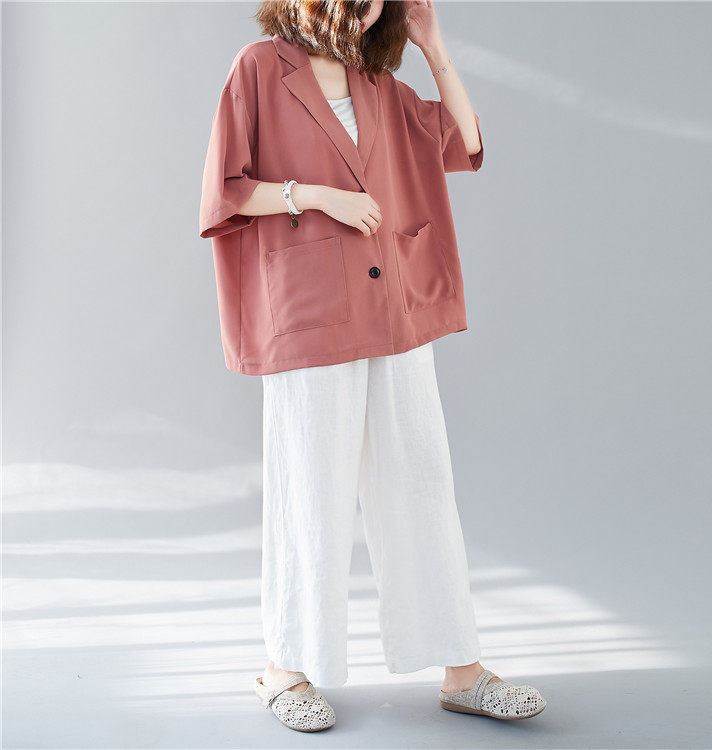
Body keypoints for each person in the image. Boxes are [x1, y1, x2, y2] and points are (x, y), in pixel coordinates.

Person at [198, 0, 546, 733]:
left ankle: (460, 668)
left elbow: (464, 141)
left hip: (393, 306)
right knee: (309, 489)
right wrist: (316, 196)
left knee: (421, 480)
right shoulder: (259, 68)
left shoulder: (376, 80)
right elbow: (226, 189)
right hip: (309, 305)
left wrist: (433, 47)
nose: (362, 12)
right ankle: (284, 667)